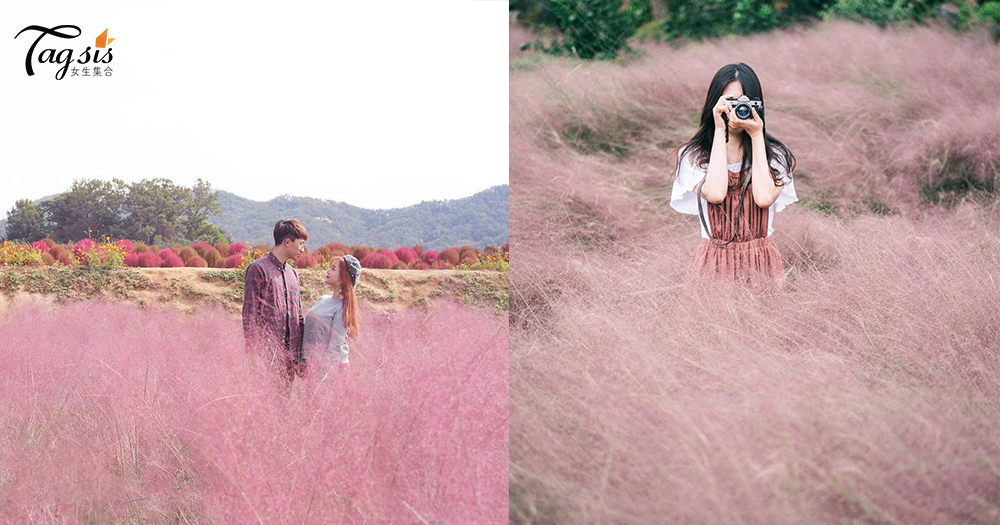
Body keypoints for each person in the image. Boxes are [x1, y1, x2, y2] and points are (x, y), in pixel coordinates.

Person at [669, 62, 799, 290]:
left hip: (762, 263)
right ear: (715, 104)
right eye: (729, 102)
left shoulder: (775, 155)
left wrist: (757, 135)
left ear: (758, 105)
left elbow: (764, 198)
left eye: (745, 102)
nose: (738, 109)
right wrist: (720, 130)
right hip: (713, 261)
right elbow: (716, 193)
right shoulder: (692, 156)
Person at [241, 219, 309, 384]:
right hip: (266, 356)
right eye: (301, 244)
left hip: (290, 358)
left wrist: (300, 356)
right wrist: (252, 355)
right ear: (287, 242)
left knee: (284, 406)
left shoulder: (293, 274)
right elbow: (249, 315)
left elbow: (299, 317)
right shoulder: (258, 269)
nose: (303, 249)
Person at [302, 254, 361, 381]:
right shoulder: (322, 299)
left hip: (330, 372)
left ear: (342, 279)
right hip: (312, 367)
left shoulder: (342, 307)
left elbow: (335, 348)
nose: (328, 271)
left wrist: (322, 379)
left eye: (333, 269)